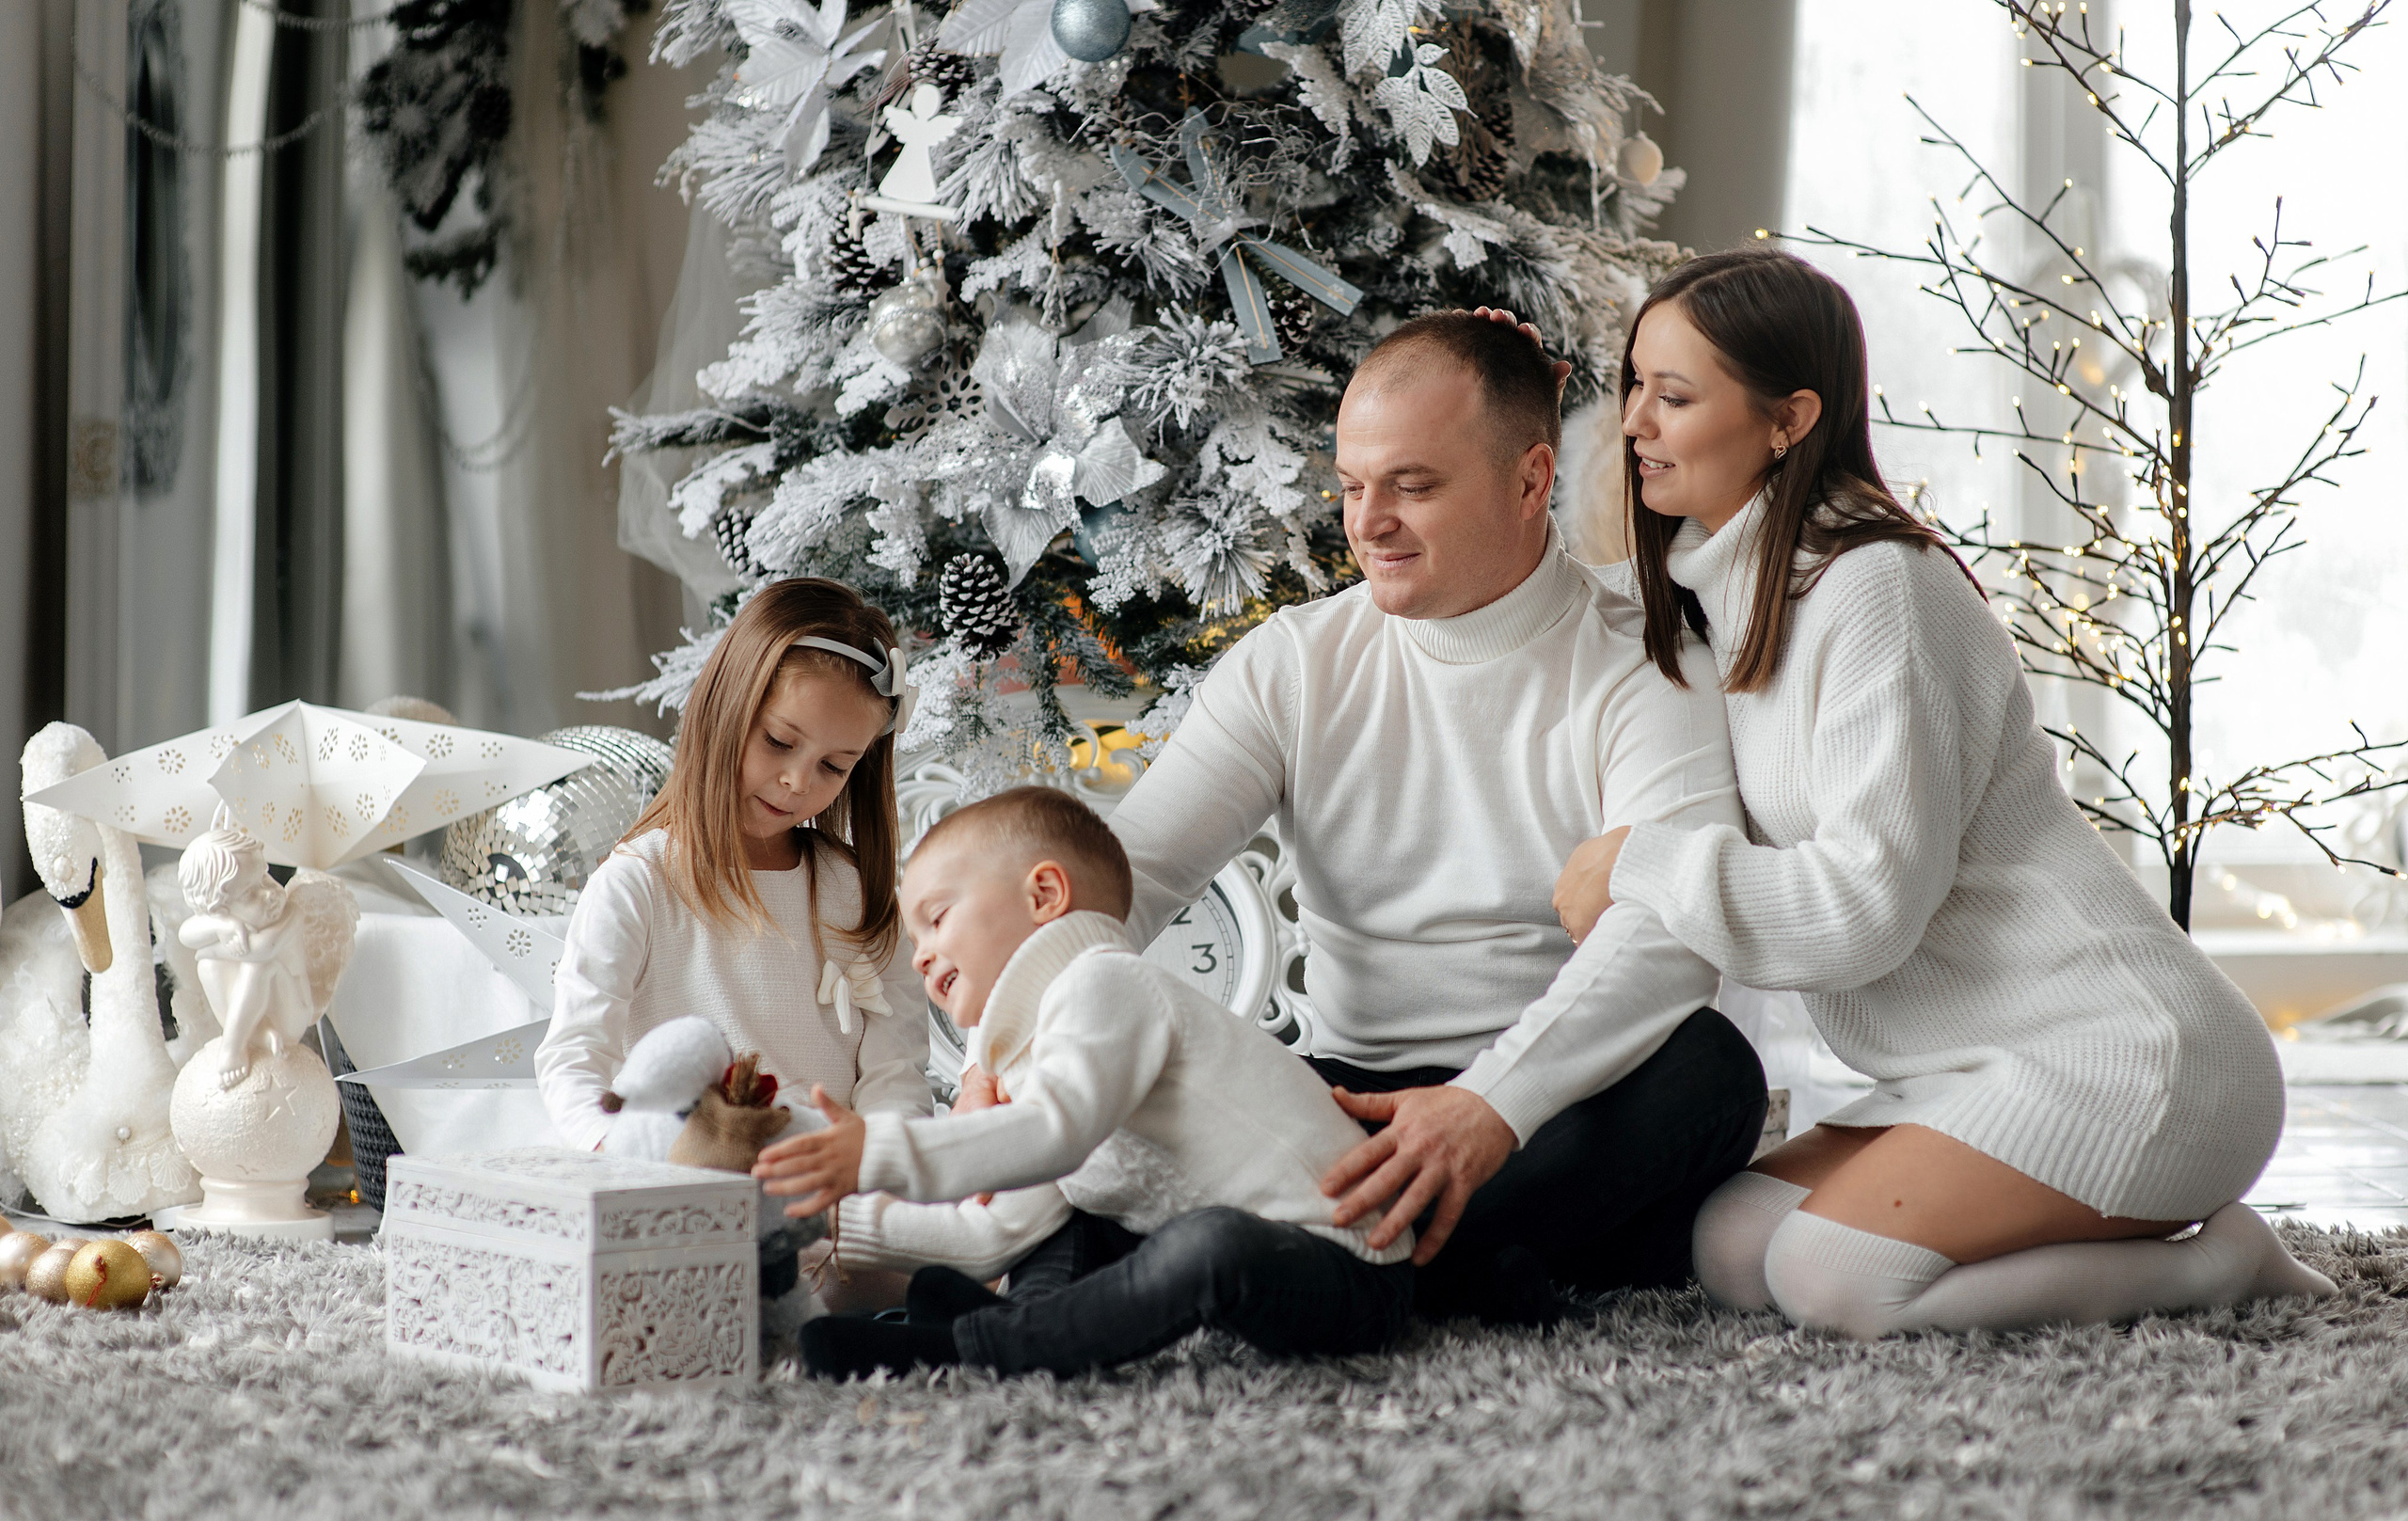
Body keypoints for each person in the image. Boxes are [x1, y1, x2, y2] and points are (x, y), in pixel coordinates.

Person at [1549, 246, 2334, 1337]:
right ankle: (2098, 1228)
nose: (1633, 419)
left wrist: (1644, 862)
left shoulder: (1875, 588)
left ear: (1787, 421)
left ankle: (2215, 1267)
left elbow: (1865, 908)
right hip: (1967, 1062)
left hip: (2129, 1055)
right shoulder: (1726, 582)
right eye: (1631, 382)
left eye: (1672, 395)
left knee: (1835, 1281)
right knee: (1733, 1251)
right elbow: (1553, 615)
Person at [1042, 309, 1771, 1320]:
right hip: (1340, 1101)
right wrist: (1024, 1037)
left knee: (1709, 1076)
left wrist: (1489, 1105)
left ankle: (1313, 1267)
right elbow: (1130, 878)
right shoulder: (1294, 663)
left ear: (1529, 480)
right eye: (1351, 486)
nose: (1366, 521)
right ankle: (1430, 1273)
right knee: (1133, 1068)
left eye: (1412, 487)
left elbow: (1666, 937)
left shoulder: (1643, 654)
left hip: (1546, 1109)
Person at [758, 786, 1417, 1380]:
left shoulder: (1106, 983)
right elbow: (996, 1234)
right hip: (1215, 1240)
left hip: (1348, 1268)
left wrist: (876, 1151)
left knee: (1211, 1242)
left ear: (1044, 895)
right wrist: (823, 1218)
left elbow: (1055, 1132)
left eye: (936, 917)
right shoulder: (1034, 1059)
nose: (921, 953)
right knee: (1073, 1222)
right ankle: (1024, 1318)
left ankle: (975, 1344)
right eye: (915, 939)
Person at [535, 578, 933, 1155]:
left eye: (834, 766)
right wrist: (622, 1155)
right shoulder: (639, 882)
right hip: (683, 1180)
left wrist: (875, 1163)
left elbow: (895, 1070)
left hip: (825, 1191)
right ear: (726, 709)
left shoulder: (856, 892)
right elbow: (574, 1056)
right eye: (777, 741)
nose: (798, 781)